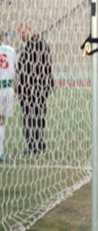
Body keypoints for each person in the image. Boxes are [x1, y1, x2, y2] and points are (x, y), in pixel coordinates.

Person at [16, 23, 54, 154]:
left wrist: (20, 90)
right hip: (39, 89)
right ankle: (37, 145)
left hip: (33, 90)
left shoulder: (35, 45)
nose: (20, 36)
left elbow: (27, 70)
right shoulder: (39, 43)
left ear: (30, 30)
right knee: (37, 118)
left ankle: (34, 146)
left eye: (22, 33)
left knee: (31, 118)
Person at [0, 31, 17, 162]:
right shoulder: (10, 50)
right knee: (1, 121)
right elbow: (16, 70)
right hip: (9, 89)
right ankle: (1, 152)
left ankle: (0, 152)